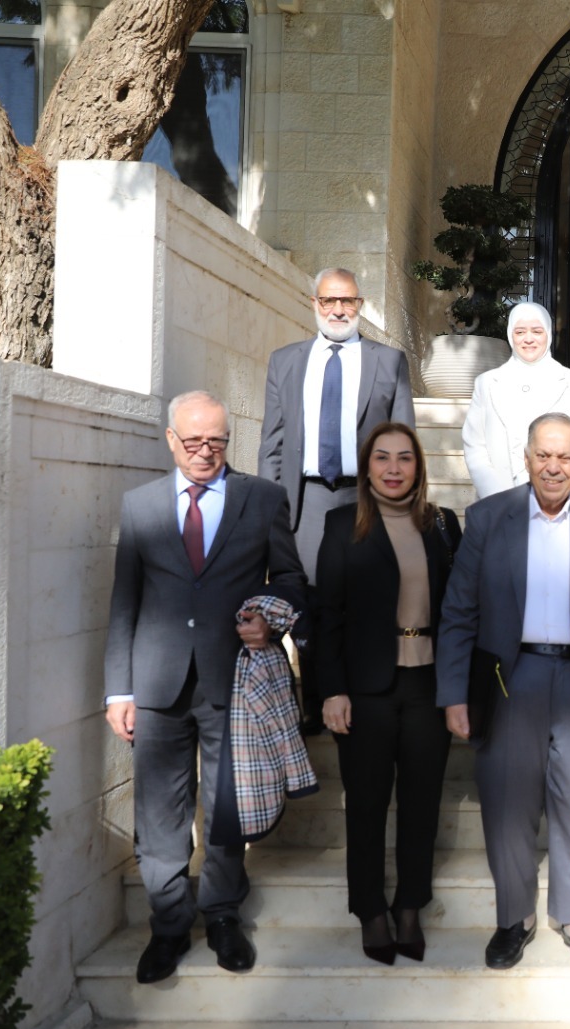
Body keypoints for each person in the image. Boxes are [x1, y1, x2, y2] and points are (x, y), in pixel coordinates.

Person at [435, 412, 570, 973]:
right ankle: (515, 917)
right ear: (527, 458)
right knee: (507, 803)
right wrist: (454, 693)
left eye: (564, 457)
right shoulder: (489, 517)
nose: (553, 467)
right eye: (543, 455)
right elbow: (458, 611)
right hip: (510, 679)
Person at [104, 390, 307, 984]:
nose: (204, 452)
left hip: (233, 679)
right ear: (171, 440)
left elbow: (291, 578)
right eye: (192, 441)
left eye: (216, 441)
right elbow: (124, 601)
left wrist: (270, 620)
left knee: (225, 806)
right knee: (160, 812)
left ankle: (222, 915)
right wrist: (119, 691)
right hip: (156, 684)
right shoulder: (140, 505)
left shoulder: (261, 498)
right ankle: (168, 926)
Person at [315, 422, 460, 966]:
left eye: (404, 457)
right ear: (367, 467)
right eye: (382, 458)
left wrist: (459, 690)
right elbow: (327, 614)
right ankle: (370, 908)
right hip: (365, 688)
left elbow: (459, 611)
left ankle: (410, 905)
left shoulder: (442, 524)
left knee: (422, 803)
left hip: (428, 684)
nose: (394, 468)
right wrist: (332, 689)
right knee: (367, 803)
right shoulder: (342, 525)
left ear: (419, 466)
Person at [259, 267, 416, 730]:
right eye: (329, 301)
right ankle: (315, 702)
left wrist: (400, 505)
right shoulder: (285, 361)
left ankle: (365, 695)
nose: (338, 310)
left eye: (347, 301)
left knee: (365, 600)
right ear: (315, 304)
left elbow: (404, 437)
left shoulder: (389, 361)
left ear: (360, 304)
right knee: (309, 604)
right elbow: (272, 444)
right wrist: (271, 514)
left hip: (363, 498)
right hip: (305, 501)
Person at [463, 301, 570, 499]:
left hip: (554, 500)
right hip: (496, 500)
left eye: (537, 331)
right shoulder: (487, 383)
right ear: (510, 335)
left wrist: (553, 494)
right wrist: (495, 496)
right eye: (520, 332)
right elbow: (475, 445)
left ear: (548, 334)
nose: (529, 339)